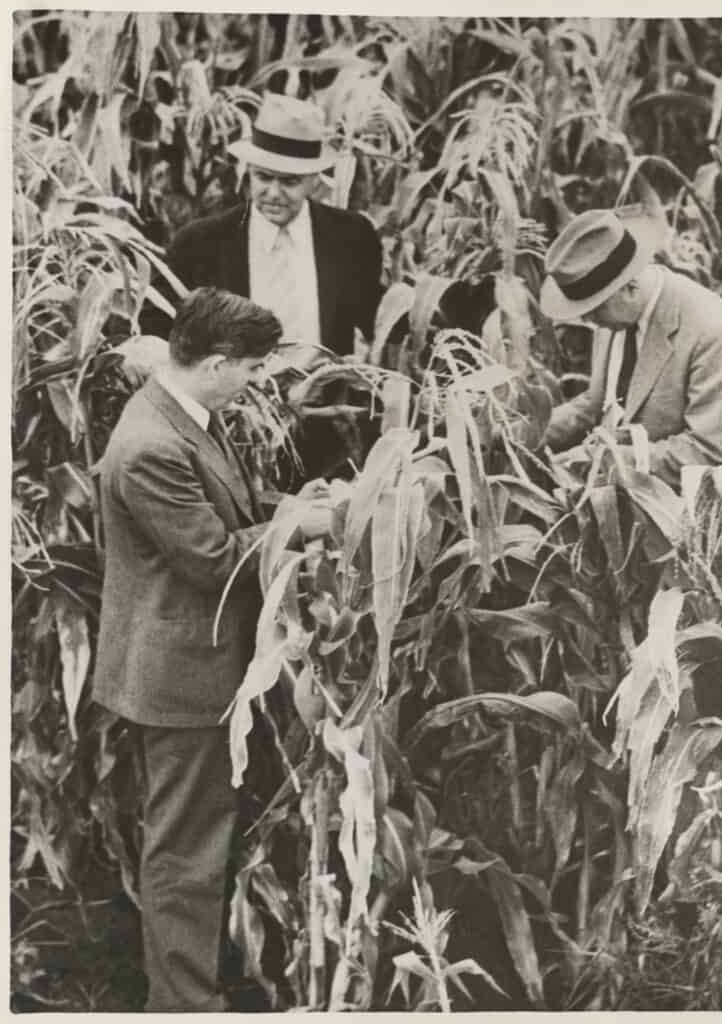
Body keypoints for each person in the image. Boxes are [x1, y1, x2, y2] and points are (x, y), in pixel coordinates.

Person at [92, 287, 330, 1011]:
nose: (257, 383)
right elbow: (216, 560)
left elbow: (232, 511)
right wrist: (306, 526)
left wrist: (295, 508)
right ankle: (182, 1007)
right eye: (253, 370)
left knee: (196, 838)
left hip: (199, 662)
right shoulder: (151, 447)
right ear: (219, 363)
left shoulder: (187, 413)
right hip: (181, 674)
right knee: (185, 850)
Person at [156, 93, 384, 483]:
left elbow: (379, 323)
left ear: (315, 179)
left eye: (290, 182)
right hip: (234, 432)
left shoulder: (351, 237)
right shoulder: (200, 244)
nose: (273, 193)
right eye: (263, 178)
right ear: (248, 171)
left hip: (327, 431)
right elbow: (162, 338)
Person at [539, 209, 722, 489]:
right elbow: (595, 404)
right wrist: (526, 431)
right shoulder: (613, 318)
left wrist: (603, 460)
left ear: (630, 286)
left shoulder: (713, 330)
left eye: (594, 309)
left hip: (670, 506)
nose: (589, 320)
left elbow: (711, 451)